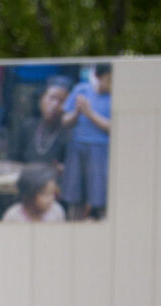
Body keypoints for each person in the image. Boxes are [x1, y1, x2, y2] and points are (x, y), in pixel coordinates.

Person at [61, 63, 111, 220]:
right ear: (98, 77)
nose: (112, 85)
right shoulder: (81, 90)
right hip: (77, 146)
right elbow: (65, 121)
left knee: (99, 195)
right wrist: (76, 112)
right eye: (109, 80)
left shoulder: (116, 97)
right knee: (74, 195)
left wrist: (90, 114)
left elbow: (113, 127)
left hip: (101, 149)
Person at [9, 75, 70, 169]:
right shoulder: (27, 127)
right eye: (51, 98)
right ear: (41, 98)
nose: (54, 105)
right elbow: (13, 160)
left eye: (61, 101)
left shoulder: (68, 135)